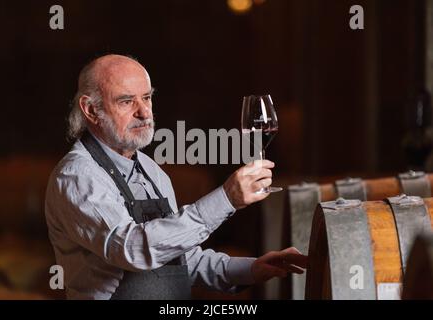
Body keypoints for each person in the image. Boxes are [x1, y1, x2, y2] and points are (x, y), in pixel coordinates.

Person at [45, 54, 307, 300]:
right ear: (91, 110)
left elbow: (179, 258)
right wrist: (226, 199)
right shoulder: (77, 175)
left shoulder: (150, 169)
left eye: (146, 98)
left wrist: (252, 269)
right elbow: (134, 249)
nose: (144, 112)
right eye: (126, 101)